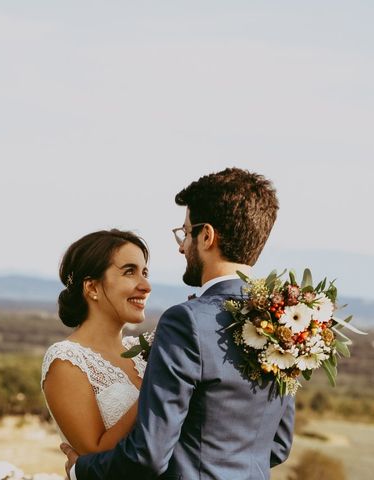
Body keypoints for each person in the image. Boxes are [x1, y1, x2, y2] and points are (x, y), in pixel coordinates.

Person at [62, 168, 295, 479]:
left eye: (186, 233)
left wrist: (81, 469)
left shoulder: (186, 321)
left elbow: (149, 455)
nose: (181, 246)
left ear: (207, 236)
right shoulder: (283, 321)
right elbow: (278, 445)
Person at [41, 229, 152, 455]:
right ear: (91, 287)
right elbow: (95, 457)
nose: (146, 286)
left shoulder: (144, 350)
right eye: (129, 272)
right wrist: (158, 385)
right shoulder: (66, 360)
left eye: (145, 272)